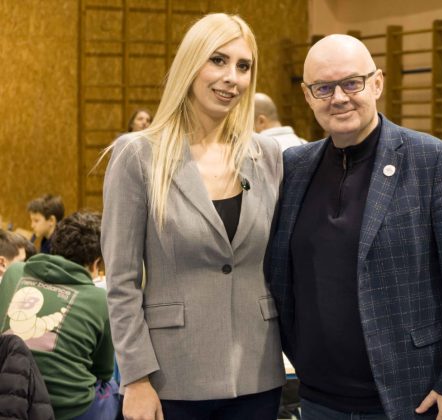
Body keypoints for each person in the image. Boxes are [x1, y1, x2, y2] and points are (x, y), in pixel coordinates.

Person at [268, 34, 442, 420]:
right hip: (318, 399)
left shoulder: (433, 162)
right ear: (308, 96)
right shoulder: (294, 167)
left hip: (410, 398)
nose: (338, 98)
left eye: (351, 83)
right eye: (323, 88)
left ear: (377, 83)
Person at [101, 13, 284, 420]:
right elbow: (122, 282)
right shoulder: (137, 155)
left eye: (243, 66)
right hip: (170, 379)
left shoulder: (267, 155)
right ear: (190, 63)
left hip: (258, 376)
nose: (231, 78)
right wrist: (136, 378)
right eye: (218, 60)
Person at [0, 211, 118, 420]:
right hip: (68, 409)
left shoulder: (15, 272)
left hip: (9, 399)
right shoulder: (101, 299)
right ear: (96, 263)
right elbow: (103, 371)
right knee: (114, 386)